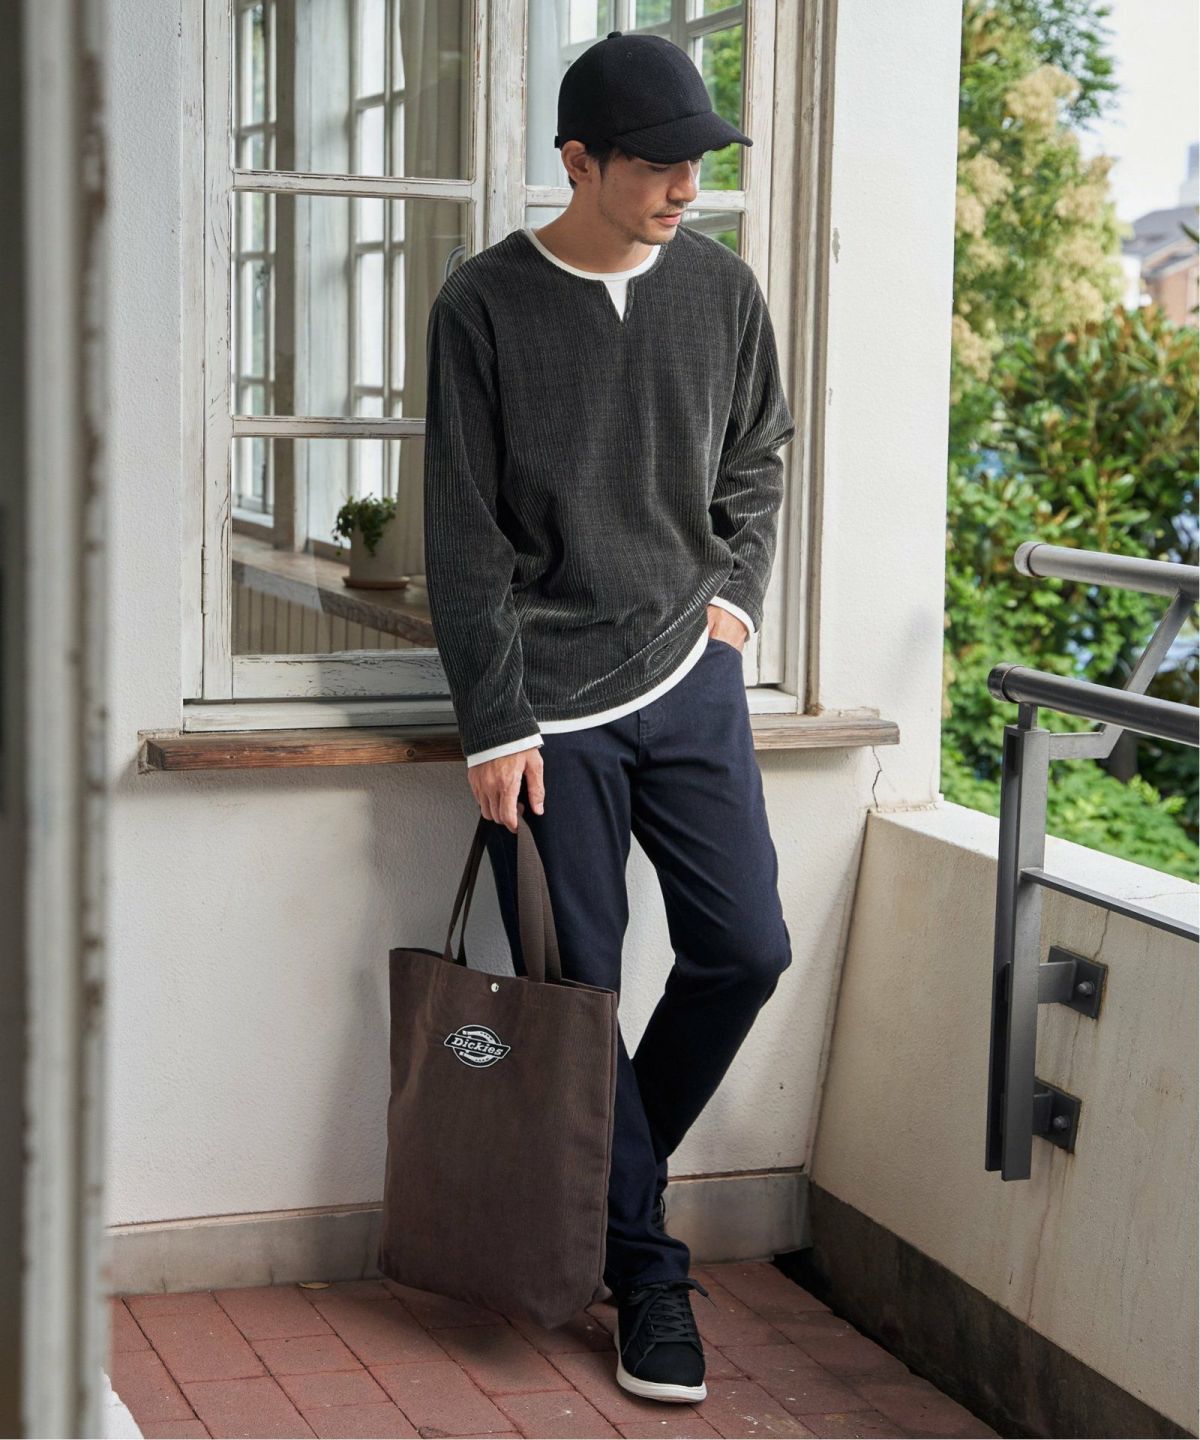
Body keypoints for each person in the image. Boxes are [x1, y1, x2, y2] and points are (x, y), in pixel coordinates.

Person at [422, 29, 795, 1407]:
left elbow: (759, 456)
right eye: (657, 165)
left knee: (745, 949)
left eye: (700, 162)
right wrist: (493, 721)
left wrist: (735, 605)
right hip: (548, 711)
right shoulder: (483, 305)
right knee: (579, 1000)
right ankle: (647, 1277)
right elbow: (462, 529)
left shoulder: (722, 290)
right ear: (578, 162)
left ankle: (595, 1190)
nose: (687, 187)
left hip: (689, 676)